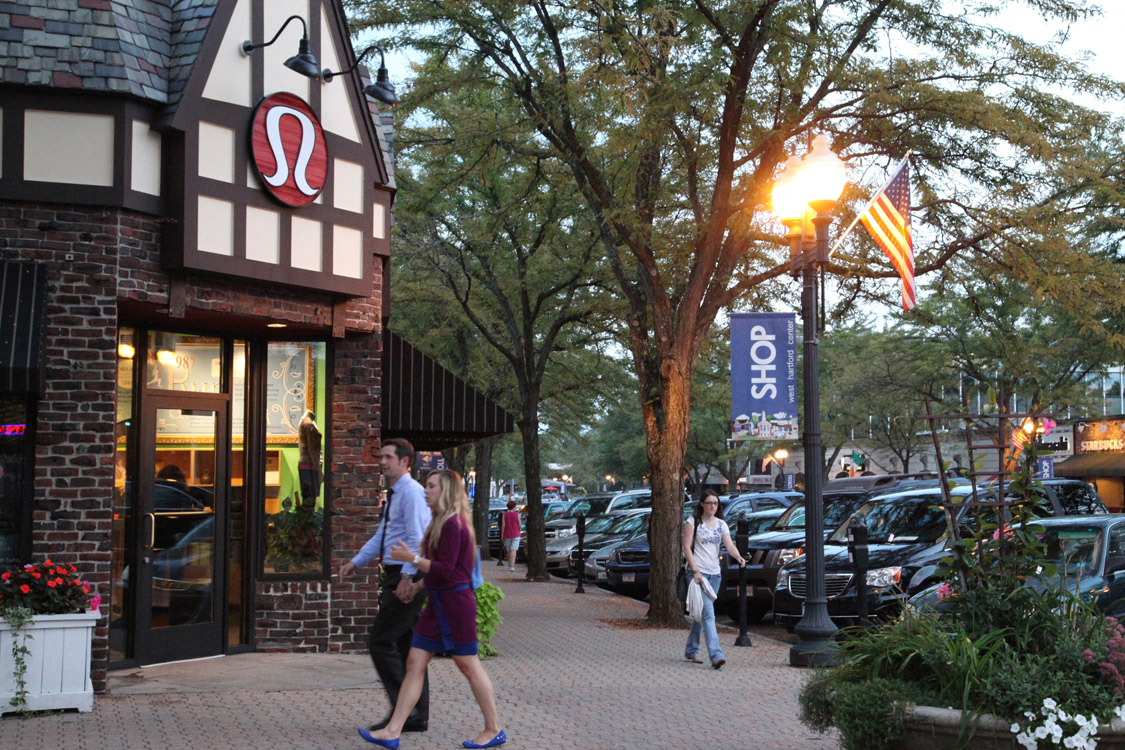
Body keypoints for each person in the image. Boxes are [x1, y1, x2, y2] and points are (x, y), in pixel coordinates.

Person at [359, 470, 506, 749]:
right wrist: (416, 586)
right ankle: (392, 730)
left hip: (454, 606)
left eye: (431, 486)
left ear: (446, 490)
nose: (425, 490)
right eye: (426, 485)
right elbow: (444, 571)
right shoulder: (441, 522)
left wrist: (411, 559)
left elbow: (449, 571)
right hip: (438, 604)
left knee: (468, 665)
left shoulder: (453, 525)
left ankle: (493, 729)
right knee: (415, 663)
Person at [340, 438, 433, 734]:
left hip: (407, 575)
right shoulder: (395, 495)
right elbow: (382, 536)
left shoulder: (412, 494)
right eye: (381, 457)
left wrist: (408, 578)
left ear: (405, 461)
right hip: (398, 573)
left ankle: (403, 713)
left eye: (388, 457)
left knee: (380, 641)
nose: (382, 462)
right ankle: (415, 715)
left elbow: (419, 539)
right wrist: (355, 562)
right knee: (408, 647)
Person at [682, 489, 746, 669]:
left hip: (714, 575)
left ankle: (691, 650)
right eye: (709, 503)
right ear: (702, 504)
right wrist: (694, 570)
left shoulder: (721, 524)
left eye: (715, 503)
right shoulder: (693, 522)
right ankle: (716, 655)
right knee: (708, 614)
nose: (712, 506)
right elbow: (686, 548)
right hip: (697, 574)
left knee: (700, 616)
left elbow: (729, 545)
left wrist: (738, 557)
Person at [501, 499, 521, 572]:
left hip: (507, 533)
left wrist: (502, 535)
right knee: (514, 549)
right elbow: (519, 524)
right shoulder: (517, 514)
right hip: (516, 533)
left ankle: (509, 565)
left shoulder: (505, 514)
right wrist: (519, 531)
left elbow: (503, 525)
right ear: (514, 507)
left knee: (508, 550)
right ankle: (512, 566)